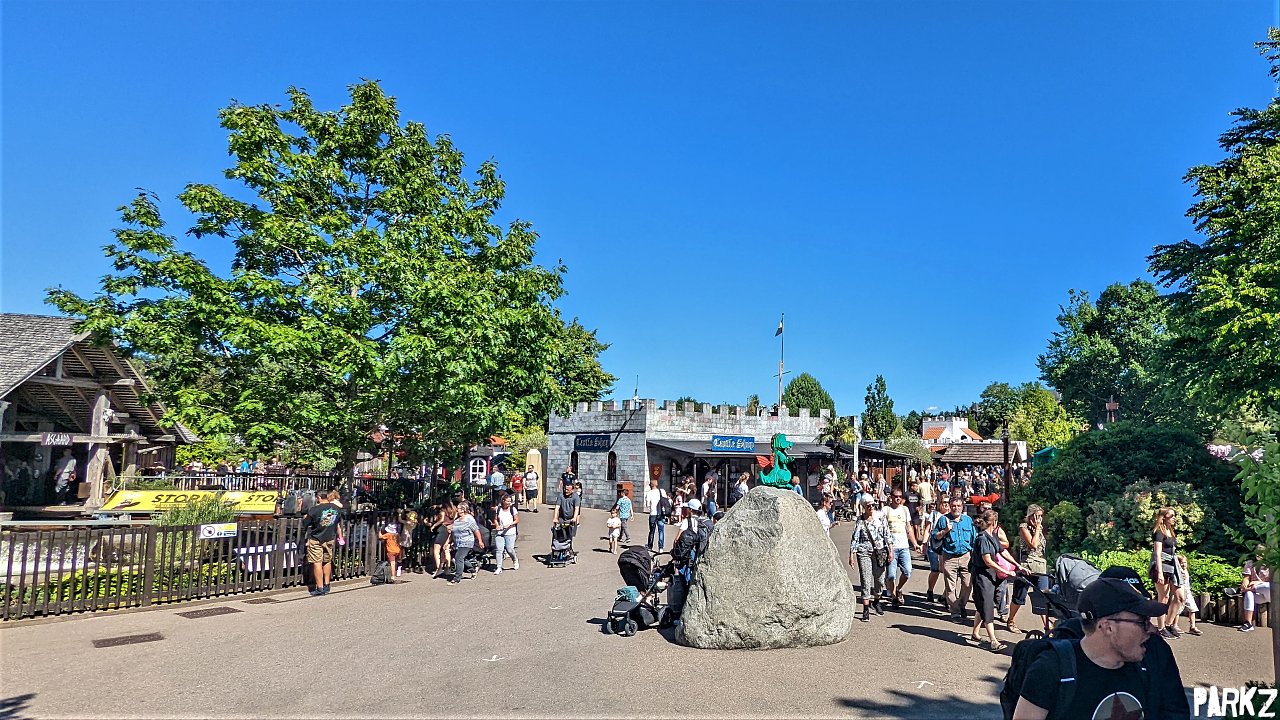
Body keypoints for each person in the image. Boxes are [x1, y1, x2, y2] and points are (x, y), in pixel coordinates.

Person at [1012, 578, 1170, 720]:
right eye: (1143, 622)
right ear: (1107, 627)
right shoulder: (1052, 669)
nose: (1152, 629)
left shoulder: (1142, 668)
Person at [970, 510, 1025, 652]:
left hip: (990, 574)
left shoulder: (992, 535)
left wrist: (1017, 565)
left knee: (983, 604)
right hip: (981, 576)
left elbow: (1003, 551)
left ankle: (975, 633)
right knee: (987, 606)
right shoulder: (982, 538)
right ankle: (994, 641)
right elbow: (988, 560)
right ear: (994, 522)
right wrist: (1005, 571)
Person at [1007, 504, 1050, 636]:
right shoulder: (1023, 527)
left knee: (1043, 595)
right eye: (1037, 516)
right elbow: (1033, 545)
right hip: (1027, 566)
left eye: (1041, 516)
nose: (1039, 519)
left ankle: (1047, 625)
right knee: (1020, 595)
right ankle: (1011, 620)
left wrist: (1039, 528)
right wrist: (1037, 529)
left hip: (1040, 566)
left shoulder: (1041, 527)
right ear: (1030, 516)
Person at [934, 493, 976, 621]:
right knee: (950, 587)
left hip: (966, 556)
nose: (955, 508)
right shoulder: (943, 520)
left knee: (968, 584)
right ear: (949, 506)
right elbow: (935, 537)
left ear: (962, 507)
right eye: (953, 506)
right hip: (949, 557)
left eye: (958, 506)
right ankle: (955, 612)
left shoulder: (968, 520)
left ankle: (961, 605)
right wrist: (945, 531)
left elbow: (974, 538)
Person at [849, 500, 892, 622]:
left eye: (872, 505)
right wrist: (851, 554)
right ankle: (866, 609)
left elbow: (887, 534)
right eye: (868, 506)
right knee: (865, 579)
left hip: (879, 552)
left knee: (880, 580)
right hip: (864, 552)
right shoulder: (860, 520)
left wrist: (891, 550)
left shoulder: (880, 517)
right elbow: (855, 538)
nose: (871, 507)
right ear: (863, 506)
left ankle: (876, 601)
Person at [1150, 506, 1184, 638]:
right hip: (1162, 566)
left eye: (1174, 515)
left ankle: (1169, 624)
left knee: (1180, 597)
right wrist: (1159, 572)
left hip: (1172, 566)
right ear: (1164, 517)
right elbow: (1157, 553)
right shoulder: (1159, 532)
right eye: (1171, 516)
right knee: (1163, 598)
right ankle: (1161, 627)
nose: (1174, 518)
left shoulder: (1171, 531)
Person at [302, 489, 344, 596]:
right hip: (329, 537)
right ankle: (327, 584)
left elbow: (305, 524)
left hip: (316, 538)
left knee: (317, 562)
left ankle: (320, 587)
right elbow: (337, 523)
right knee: (327, 561)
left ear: (319, 498)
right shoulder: (336, 509)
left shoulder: (314, 510)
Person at [883, 490, 918, 607]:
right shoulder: (886, 510)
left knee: (907, 571)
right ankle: (894, 598)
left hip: (904, 547)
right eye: (896, 496)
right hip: (891, 548)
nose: (898, 498)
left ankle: (898, 589)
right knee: (891, 575)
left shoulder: (905, 509)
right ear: (891, 497)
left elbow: (909, 528)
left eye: (900, 496)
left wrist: (915, 543)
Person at [449, 501, 485, 584]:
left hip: (467, 541)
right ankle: (473, 569)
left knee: (458, 558)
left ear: (463, 509)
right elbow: (453, 532)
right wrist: (450, 541)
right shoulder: (456, 520)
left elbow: (476, 530)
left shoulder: (469, 519)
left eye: (458, 508)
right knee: (461, 558)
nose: (456, 509)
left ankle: (457, 578)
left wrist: (480, 541)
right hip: (458, 542)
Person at [1239, 546, 1271, 632]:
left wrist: (1259, 583)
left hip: (1270, 594)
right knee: (1249, 594)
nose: (1259, 554)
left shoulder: (1272, 565)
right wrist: (1245, 582)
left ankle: (1245, 590)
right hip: (1257, 594)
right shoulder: (1250, 563)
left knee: (1268, 586)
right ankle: (1248, 623)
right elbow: (1246, 577)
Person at [1171, 554, 1201, 635]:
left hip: (1188, 592)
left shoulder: (1186, 571)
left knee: (1192, 609)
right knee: (1178, 609)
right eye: (1181, 563)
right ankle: (1174, 625)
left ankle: (1193, 626)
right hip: (1180, 592)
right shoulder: (1178, 571)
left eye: (1185, 562)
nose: (1183, 564)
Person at [493, 492, 519, 574]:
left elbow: (517, 520)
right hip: (500, 532)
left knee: (509, 549)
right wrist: (497, 525)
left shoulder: (512, 509)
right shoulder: (499, 509)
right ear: (503, 501)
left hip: (510, 532)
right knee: (499, 549)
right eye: (507, 501)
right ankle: (499, 567)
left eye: (510, 501)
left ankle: (515, 559)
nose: (509, 503)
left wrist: (510, 524)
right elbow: (495, 519)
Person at [429, 502, 455, 578]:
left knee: (436, 550)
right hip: (450, 530)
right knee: (446, 549)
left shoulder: (442, 511)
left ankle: (439, 568)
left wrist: (434, 525)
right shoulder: (453, 510)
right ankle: (447, 568)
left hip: (442, 530)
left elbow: (441, 520)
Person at [643, 477, 669, 550]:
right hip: (661, 513)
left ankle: (650, 546)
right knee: (661, 531)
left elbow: (647, 505)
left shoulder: (649, 493)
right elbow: (666, 501)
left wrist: (650, 507)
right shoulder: (662, 491)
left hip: (653, 514)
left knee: (652, 531)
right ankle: (661, 547)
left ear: (650, 485)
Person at [555, 480, 581, 550]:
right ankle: (557, 548)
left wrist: (574, 518)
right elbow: (557, 507)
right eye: (565, 489)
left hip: (571, 519)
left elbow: (577, 508)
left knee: (569, 535)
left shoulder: (576, 497)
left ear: (572, 490)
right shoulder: (561, 495)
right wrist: (555, 518)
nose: (565, 491)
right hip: (562, 518)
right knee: (558, 533)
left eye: (567, 490)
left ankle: (569, 548)